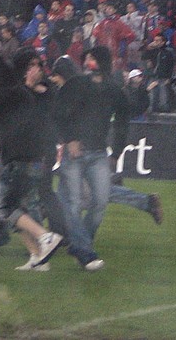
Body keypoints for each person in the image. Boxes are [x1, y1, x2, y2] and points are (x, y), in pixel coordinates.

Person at [0, 48, 63, 270]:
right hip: (33, 158)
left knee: (5, 209)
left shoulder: (16, 93)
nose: (34, 70)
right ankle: (37, 257)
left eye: (36, 65)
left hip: (18, 159)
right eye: (31, 65)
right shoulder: (31, 94)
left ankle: (45, 237)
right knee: (24, 210)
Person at [52, 46, 128, 271]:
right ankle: (85, 251)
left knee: (100, 203)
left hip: (98, 154)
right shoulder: (75, 85)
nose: (88, 62)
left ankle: (80, 243)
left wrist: (116, 153)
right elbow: (57, 114)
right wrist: (70, 139)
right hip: (75, 153)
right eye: (87, 58)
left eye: (93, 59)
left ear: (103, 62)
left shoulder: (115, 91)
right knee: (73, 203)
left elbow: (123, 122)